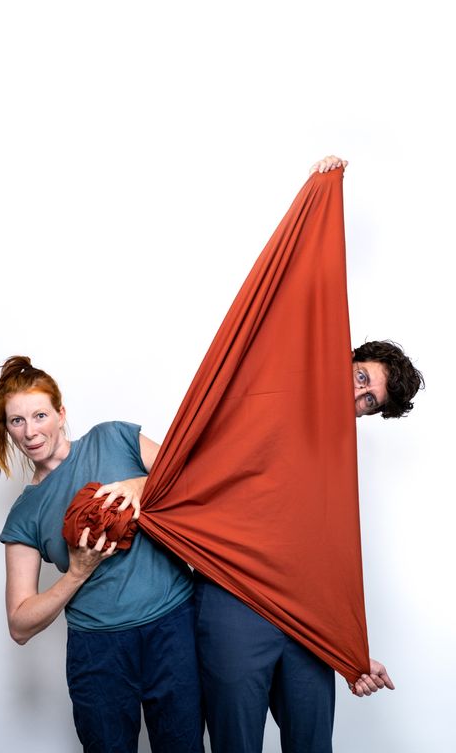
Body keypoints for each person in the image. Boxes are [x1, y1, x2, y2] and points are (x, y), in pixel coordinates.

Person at [190, 156, 425, 753]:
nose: (358, 396)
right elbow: (294, 301)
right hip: (235, 599)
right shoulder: (279, 386)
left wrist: (350, 650)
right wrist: (320, 195)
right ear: (343, 358)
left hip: (304, 620)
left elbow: (331, 557)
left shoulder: (335, 465)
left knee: (312, 743)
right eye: (361, 377)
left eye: (369, 401)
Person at [0, 356, 203, 753]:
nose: (30, 431)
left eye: (39, 415)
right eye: (17, 421)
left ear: (61, 414)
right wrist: (76, 572)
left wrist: (140, 486)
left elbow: (195, 476)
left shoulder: (114, 438)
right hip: (98, 652)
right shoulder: (25, 513)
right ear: (7, 429)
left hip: (172, 627)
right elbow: (19, 624)